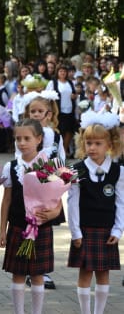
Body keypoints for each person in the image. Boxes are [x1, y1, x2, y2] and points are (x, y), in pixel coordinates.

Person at [0, 119, 62, 314]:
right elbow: (6, 200)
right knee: (17, 273)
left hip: (41, 227)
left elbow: (57, 199)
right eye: (18, 138)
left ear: (39, 139)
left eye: (27, 138)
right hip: (18, 226)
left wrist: (54, 213)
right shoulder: (11, 167)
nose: (22, 142)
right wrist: (2, 230)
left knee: (37, 275)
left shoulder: (49, 166)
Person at [67, 111, 124, 314]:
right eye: (88, 142)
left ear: (110, 144)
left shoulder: (118, 171)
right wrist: (76, 232)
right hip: (84, 229)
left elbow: (121, 202)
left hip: (107, 230)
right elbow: (72, 203)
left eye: (98, 143)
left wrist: (118, 230)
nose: (92, 147)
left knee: (103, 273)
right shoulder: (78, 170)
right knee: (85, 273)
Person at [46, 64, 77, 159]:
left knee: (69, 131)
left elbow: (74, 94)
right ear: (57, 72)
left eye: (64, 71)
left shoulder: (70, 83)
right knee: (59, 131)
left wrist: (74, 96)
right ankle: (56, 152)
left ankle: (64, 150)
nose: (63, 73)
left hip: (70, 110)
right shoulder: (53, 82)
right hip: (58, 111)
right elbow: (47, 95)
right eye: (60, 71)